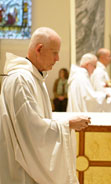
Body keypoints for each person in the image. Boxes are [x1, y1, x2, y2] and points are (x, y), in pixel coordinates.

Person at [0, 27, 90, 184]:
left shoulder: (35, 77)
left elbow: (37, 119)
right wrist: (67, 124)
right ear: (39, 49)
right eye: (55, 52)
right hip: (22, 169)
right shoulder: (21, 79)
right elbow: (31, 129)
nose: (58, 58)